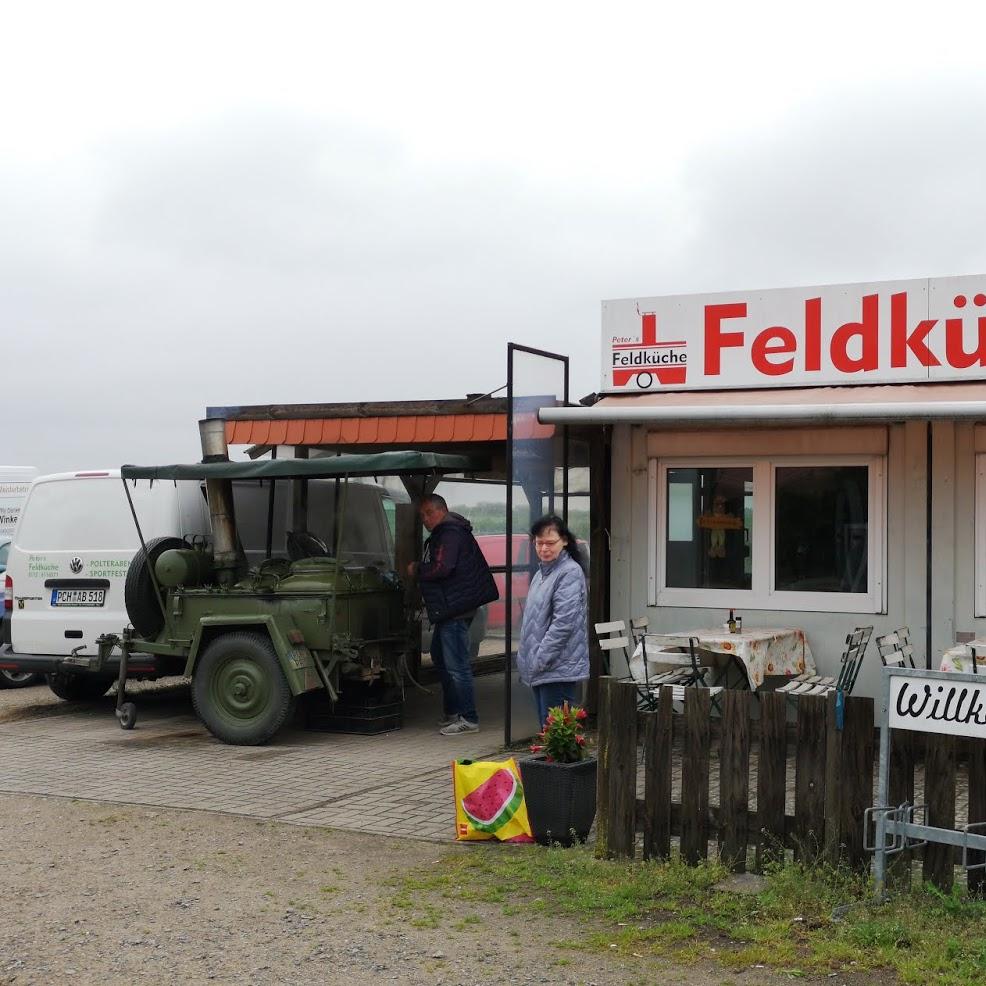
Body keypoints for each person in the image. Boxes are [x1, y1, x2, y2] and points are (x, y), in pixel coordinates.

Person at [408, 494, 498, 736]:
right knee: (440, 655)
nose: (425, 520)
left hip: (455, 609)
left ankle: (468, 718)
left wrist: (417, 569)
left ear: (442, 510)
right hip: (451, 607)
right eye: (422, 516)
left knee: (457, 665)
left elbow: (442, 567)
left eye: (429, 513)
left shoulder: (450, 533)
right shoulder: (448, 532)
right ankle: (452, 712)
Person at [516, 515, 589, 727]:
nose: (544, 548)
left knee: (558, 734)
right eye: (539, 543)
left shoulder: (569, 572)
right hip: (542, 668)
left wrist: (540, 658)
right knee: (550, 732)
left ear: (564, 541)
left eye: (550, 543)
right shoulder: (542, 573)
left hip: (557, 668)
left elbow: (563, 624)